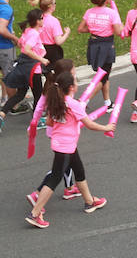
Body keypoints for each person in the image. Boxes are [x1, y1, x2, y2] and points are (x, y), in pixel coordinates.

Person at [25, 71, 114, 229]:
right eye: (76, 83)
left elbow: (51, 123)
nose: (78, 85)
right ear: (71, 87)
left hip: (62, 143)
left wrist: (66, 123)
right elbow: (90, 124)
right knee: (54, 179)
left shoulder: (56, 101)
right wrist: (106, 127)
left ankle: (89, 202)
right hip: (66, 147)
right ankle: (35, 213)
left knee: (79, 170)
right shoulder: (73, 105)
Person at [0, 10, 50, 133]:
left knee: (20, 94)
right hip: (33, 70)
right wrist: (41, 59)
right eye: (41, 18)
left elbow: (20, 43)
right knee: (38, 95)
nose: (43, 21)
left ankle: (1, 115)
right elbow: (27, 49)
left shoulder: (28, 31)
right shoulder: (34, 34)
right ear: (37, 21)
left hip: (23, 67)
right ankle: (38, 120)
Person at [77, 0, 123, 109]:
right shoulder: (111, 13)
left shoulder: (89, 12)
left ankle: (107, 103)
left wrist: (93, 29)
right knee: (103, 77)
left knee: (102, 74)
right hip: (106, 46)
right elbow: (119, 31)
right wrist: (117, 23)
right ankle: (83, 101)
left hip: (93, 45)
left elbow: (80, 29)